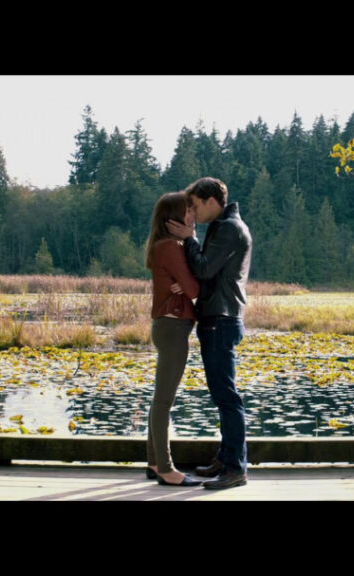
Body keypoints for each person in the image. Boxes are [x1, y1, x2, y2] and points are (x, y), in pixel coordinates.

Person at [166, 177, 252, 490]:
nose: (192, 212)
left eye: (195, 206)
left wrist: (189, 238)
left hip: (220, 319)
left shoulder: (229, 229)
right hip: (220, 318)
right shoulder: (225, 227)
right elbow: (208, 273)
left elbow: (203, 269)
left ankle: (235, 468)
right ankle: (226, 459)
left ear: (211, 201)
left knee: (227, 397)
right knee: (223, 395)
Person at [144, 191, 203, 487]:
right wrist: (188, 281)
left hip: (170, 326)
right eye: (188, 211)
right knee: (164, 401)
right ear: (173, 218)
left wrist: (186, 279)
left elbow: (188, 285)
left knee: (161, 399)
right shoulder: (170, 247)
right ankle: (166, 470)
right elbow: (195, 290)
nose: (193, 215)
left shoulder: (168, 245)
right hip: (172, 327)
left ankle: (154, 462)